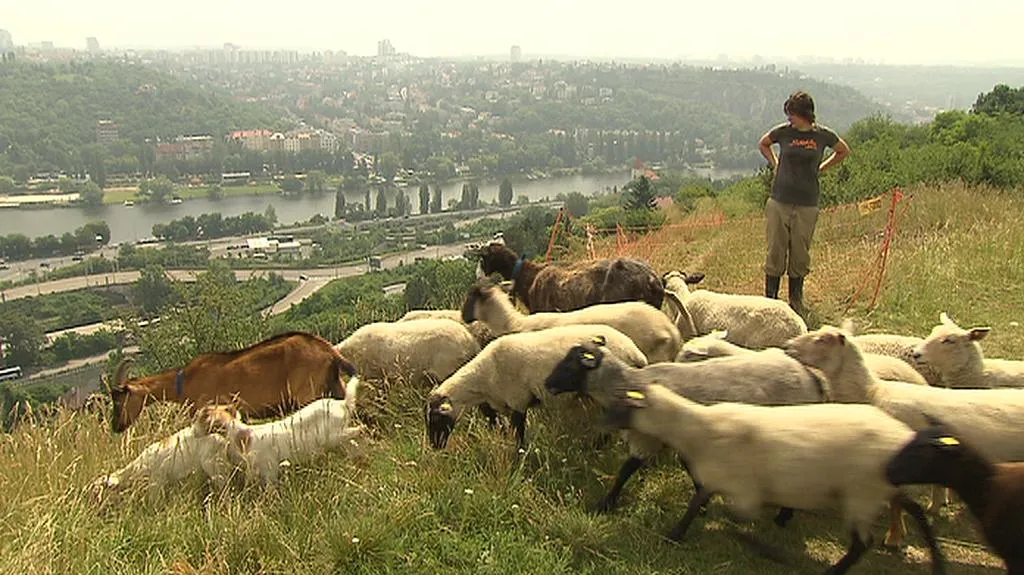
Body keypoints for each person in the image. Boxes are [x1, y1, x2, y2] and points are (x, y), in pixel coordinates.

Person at [758, 90, 850, 317]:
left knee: (800, 253)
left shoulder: (822, 135)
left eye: (792, 114)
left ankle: (795, 302)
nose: (789, 118)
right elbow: (764, 143)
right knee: (776, 250)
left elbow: (843, 151)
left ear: (804, 114)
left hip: (807, 203)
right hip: (780, 200)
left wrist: (822, 168)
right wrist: (775, 163)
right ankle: (771, 301)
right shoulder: (784, 132)